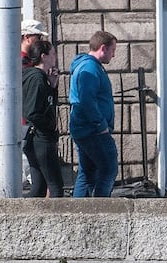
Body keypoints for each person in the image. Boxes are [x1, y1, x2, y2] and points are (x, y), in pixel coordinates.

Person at [69, 31, 118, 198]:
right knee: (109, 169)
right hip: (93, 130)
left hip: (85, 129)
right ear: (103, 48)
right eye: (112, 50)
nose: (114, 54)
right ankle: (102, 212)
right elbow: (86, 100)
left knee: (87, 173)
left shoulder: (89, 66)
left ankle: (79, 214)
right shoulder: (89, 68)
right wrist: (101, 125)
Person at [22, 40, 64, 198]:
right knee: (56, 187)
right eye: (52, 54)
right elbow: (32, 112)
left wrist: (52, 87)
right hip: (41, 138)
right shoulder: (36, 78)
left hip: (37, 138)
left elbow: (46, 103)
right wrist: (51, 126)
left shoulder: (40, 78)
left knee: (39, 187)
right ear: (43, 56)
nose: (55, 57)